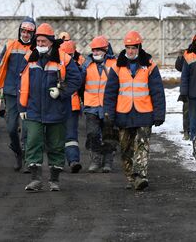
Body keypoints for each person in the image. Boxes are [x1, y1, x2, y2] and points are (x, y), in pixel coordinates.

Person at [18, 23, 82, 191]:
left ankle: (54, 180)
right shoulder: (29, 58)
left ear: (51, 42)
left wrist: (61, 91)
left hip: (57, 111)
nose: (40, 44)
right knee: (33, 143)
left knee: (56, 145)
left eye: (43, 41)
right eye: (38, 41)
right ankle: (35, 179)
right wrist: (22, 107)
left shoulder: (64, 59)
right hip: (34, 110)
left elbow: (76, 80)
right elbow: (23, 84)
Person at [103, 30, 166, 191]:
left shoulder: (149, 66)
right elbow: (110, 92)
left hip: (144, 113)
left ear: (139, 47)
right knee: (125, 149)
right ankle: (131, 177)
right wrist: (109, 113)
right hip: (123, 114)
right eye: (128, 48)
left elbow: (157, 91)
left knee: (142, 146)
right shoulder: (117, 66)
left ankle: (141, 176)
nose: (131, 51)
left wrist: (159, 113)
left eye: (134, 48)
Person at [0, 17, 36, 171]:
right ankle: (17, 152)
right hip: (11, 92)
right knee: (11, 128)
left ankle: (26, 158)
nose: (25, 35)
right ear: (20, 31)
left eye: (29, 32)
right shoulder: (10, 45)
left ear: (33, 33)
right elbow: (0, 65)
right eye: (23, 31)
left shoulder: (36, 48)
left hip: (29, 94)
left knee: (26, 128)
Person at [81, 36, 117, 173]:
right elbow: (80, 82)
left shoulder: (114, 64)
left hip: (108, 106)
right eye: (94, 50)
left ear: (105, 50)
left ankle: (108, 161)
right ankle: (95, 160)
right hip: (91, 105)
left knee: (109, 134)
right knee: (92, 133)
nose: (95, 53)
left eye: (98, 50)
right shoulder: (87, 65)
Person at [60, 40, 84, 173]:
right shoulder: (56, 65)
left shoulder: (77, 68)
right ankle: (59, 162)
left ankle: (73, 160)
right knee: (57, 135)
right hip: (58, 105)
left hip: (71, 106)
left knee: (70, 136)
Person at [175, 49, 190, 140]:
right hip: (188, 89)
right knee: (187, 111)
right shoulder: (188, 55)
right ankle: (186, 131)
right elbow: (179, 67)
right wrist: (180, 57)